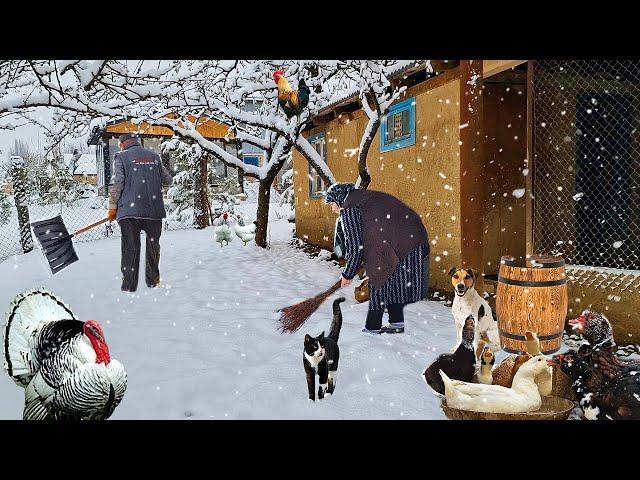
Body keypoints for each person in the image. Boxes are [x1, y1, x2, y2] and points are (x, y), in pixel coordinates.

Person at [324, 183, 429, 335]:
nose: (332, 208)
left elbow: (356, 247)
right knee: (393, 281)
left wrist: (347, 274)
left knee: (378, 281)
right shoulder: (362, 199)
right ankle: (396, 323)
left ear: (338, 200)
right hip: (414, 238)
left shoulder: (350, 208)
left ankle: (372, 328)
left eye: (331, 204)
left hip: (402, 242)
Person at [108, 133, 173, 292]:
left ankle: (128, 285)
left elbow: (117, 183)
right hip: (153, 210)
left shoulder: (121, 157)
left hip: (129, 212)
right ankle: (154, 281)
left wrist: (112, 207)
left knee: (130, 247)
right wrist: (151, 186)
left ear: (122, 144)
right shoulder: (154, 157)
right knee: (153, 246)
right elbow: (168, 180)